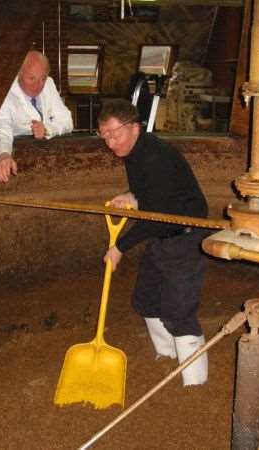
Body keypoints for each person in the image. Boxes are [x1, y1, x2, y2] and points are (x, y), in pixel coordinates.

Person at [97, 98, 209, 386]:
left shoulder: (155, 156)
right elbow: (149, 194)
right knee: (145, 299)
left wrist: (119, 247)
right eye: (105, 136)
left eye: (115, 134)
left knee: (178, 311)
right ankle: (168, 355)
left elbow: (157, 216)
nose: (110, 143)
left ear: (134, 127)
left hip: (185, 236)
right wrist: (131, 197)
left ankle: (195, 383)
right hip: (162, 236)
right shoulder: (134, 153)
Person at [0, 50, 73, 183]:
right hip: (19, 162)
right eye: (31, 78)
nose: (38, 85)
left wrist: (47, 129)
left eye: (42, 78)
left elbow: (67, 121)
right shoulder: (4, 90)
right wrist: (3, 154)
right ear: (19, 73)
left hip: (47, 163)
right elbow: (0, 126)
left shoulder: (49, 84)